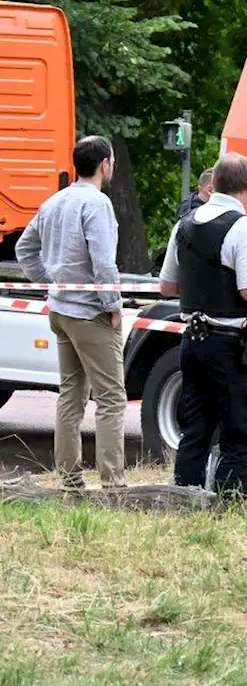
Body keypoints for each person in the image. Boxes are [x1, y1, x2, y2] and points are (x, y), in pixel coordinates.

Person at [15, 136, 127, 490]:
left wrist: (50, 281)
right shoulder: (97, 204)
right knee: (111, 397)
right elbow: (104, 263)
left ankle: (70, 478)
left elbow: (24, 248)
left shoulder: (53, 202)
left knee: (70, 395)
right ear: (105, 164)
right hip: (89, 313)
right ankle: (113, 483)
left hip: (60, 310)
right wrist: (113, 306)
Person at [158, 152, 247, 499]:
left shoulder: (184, 224)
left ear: (213, 183)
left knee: (196, 429)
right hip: (230, 342)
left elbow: (167, 287)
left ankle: (184, 499)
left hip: (191, 339)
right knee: (242, 431)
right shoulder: (243, 226)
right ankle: (228, 505)